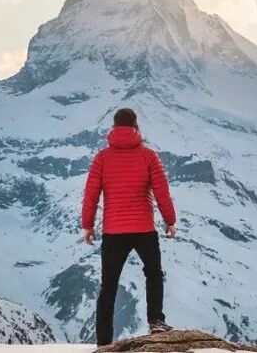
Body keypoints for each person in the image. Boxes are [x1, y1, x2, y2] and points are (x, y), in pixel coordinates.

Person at [81, 108, 177, 346]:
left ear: (113, 127)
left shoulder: (102, 157)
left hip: (113, 232)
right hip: (144, 229)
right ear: (136, 126)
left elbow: (91, 195)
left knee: (109, 285)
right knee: (153, 274)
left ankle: (103, 342)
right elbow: (161, 192)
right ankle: (156, 321)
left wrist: (88, 225)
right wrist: (170, 221)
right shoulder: (148, 156)